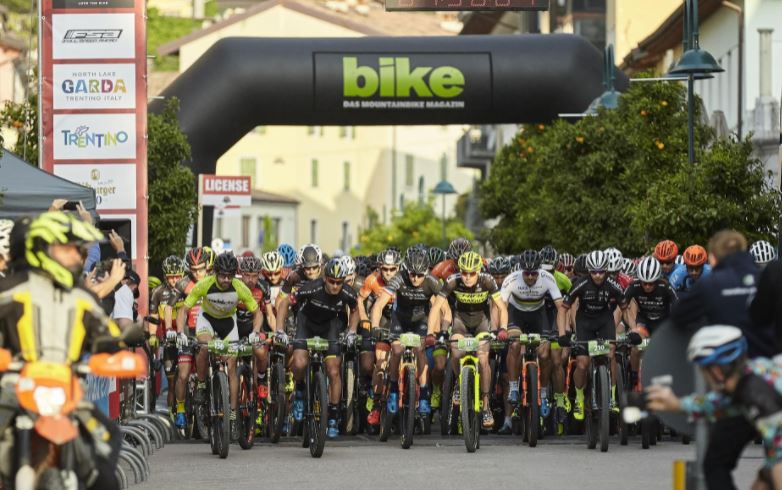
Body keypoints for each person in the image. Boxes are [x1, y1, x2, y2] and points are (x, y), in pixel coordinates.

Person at [0, 211, 124, 488]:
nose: (77, 257)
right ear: (44, 249)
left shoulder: (81, 297)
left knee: (107, 439)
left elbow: (106, 332)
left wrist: (121, 344)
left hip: (64, 391)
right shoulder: (9, 289)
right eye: (68, 249)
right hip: (14, 390)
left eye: (78, 250)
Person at [671, 229, 775, 490]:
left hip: (740, 384)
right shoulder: (768, 279)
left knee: (716, 463)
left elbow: (678, 316)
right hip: (775, 378)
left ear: (714, 258)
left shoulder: (711, 285)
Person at [647, 326, 782, 490]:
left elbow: (779, 462)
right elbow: (719, 403)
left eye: (703, 370)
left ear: (717, 371)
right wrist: (677, 404)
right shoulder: (753, 373)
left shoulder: (759, 398)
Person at [176, 252, 261, 439]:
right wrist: (181, 332)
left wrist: (255, 332)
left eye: (230, 275)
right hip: (207, 320)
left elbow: (258, 312)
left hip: (228, 324)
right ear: (215, 272)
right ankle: (201, 383)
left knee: (232, 367)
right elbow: (184, 310)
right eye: (222, 275)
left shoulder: (239, 287)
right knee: (204, 347)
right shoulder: (204, 284)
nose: (225, 279)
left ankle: (231, 415)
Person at [276, 258, 359, 439]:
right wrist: (280, 330)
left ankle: (333, 417)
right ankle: (299, 392)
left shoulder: (348, 292)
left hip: (329, 327)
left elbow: (354, 310)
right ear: (325, 278)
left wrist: (352, 331)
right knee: (298, 363)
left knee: (333, 371)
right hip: (306, 324)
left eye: (339, 282)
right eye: (331, 281)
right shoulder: (311, 288)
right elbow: (284, 304)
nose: (335, 286)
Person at [427, 251, 508, 429]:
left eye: (472, 273)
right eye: (464, 272)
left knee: (483, 359)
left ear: (478, 271)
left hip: (481, 323)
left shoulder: (487, 280)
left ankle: (486, 405)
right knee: (455, 353)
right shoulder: (452, 280)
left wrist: (502, 328)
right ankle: (458, 384)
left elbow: (501, 307)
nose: (468, 277)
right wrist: (430, 333)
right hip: (460, 323)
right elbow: (436, 308)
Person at [370, 248, 442, 420]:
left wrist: (438, 332)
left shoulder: (432, 281)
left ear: (426, 272)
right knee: (396, 350)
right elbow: (379, 304)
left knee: (420, 350)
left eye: (419, 275)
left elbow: (443, 308)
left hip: (421, 321)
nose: (415, 278)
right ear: (406, 270)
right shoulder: (399, 277)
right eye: (412, 274)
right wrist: (374, 327)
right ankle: (393, 388)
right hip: (400, 320)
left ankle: (424, 395)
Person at [500, 249, 568, 432]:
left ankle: (544, 393)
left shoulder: (548, 278)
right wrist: (500, 329)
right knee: (514, 345)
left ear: (540, 270)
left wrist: (562, 334)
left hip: (539, 316)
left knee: (545, 353)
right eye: (527, 273)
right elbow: (501, 306)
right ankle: (514, 387)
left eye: (534, 273)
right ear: (521, 270)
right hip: (517, 316)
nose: (530, 277)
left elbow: (560, 307)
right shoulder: (512, 279)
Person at [559, 250, 627, 420]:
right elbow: (563, 308)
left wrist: (633, 330)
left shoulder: (612, 284)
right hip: (585, 322)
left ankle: (611, 398)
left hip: (604, 321)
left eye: (601, 272)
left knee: (611, 353)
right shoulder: (580, 284)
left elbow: (627, 308)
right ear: (589, 271)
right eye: (594, 272)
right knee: (582, 363)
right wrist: (562, 333)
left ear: (606, 270)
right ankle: (580, 399)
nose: (597, 276)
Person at [359, 248, 401, 427]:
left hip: (400, 320)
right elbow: (360, 300)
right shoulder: (372, 280)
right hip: (383, 321)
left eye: (392, 269)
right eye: (385, 269)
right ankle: (376, 403)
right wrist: (366, 321)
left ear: (398, 268)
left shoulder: (405, 279)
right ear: (379, 267)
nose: (389, 273)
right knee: (380, 362)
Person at [623, 256, 677, 389]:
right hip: (644, 321)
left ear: (657, 279)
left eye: (651, 283)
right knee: (636, 347)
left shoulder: (665, 286)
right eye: (644, 283)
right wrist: (632, 328)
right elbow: (622, 306)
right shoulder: (634, 286)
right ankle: (634, 377)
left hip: (662, 322)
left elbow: (678, 307)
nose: (647, 286)